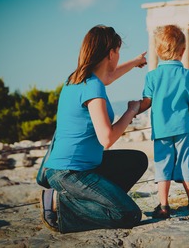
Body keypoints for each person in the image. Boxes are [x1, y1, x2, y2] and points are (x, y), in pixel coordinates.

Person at [40, 24, 149, 233]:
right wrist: (131, 111)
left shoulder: (77, 79)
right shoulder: (92, 86)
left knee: (137, 160)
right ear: (111, 53)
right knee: (129, 215)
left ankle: (99, 201)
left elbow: (108, 77)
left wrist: (135, 62)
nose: (118, 56)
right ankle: (60, 206)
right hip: (69, 172)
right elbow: (107, 139)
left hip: (83, 167)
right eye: (118, 51)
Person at [137, 25, 189, 219]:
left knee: (162, 166)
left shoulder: (151, 76)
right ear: (183, 51)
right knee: (186, 164)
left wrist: (134, 109)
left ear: (158, 52)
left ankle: (164, 206)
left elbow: (146, 103)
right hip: (184, 128)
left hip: (161, 130)